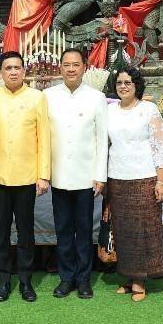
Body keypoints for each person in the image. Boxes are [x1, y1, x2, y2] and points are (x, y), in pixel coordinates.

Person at [0, 50, 51, 303]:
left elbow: (44, 137)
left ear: (24, 71)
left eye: (17, 68)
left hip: (27, 176)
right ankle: (3, 281)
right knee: (0, 232)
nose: (13, 72)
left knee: (25, 232)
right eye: (8, 68)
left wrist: (43, 174)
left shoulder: (37, 98)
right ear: (0, 73)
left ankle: (25, 281)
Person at [44, 48, 107, 299]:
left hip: (86, 176)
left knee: (84, 230)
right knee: (63, 230)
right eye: (66, 64)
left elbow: (101, 139)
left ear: (84, 67)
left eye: (76, 64)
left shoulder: (96, 97)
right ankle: (66, 278)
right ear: (60, 67)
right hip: (58, 175)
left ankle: (84, 279)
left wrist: (100, 175)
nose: (71, 69)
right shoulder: (47, 96)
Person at [105, 67, 163, 302]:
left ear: (137, 85)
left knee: (144, 230)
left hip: (144, 176)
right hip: (117, 176)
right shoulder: (110, 111)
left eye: (128, 82)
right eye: (119, 82)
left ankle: (141, 279)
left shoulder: (149, 109)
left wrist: (161, 180)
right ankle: (129, 276)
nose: (123, 86)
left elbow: (159, 146)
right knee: (123, 230)